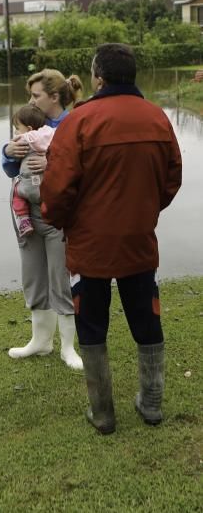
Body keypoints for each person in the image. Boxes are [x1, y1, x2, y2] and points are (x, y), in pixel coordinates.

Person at [41, 43, 182, 434]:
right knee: (146, 319)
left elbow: (57, 188)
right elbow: (172, 179)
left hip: (89, 246)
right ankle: (151, 405)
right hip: (139, 241)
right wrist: (145, 212)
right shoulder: (157, 118)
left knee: (91, 324)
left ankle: (103, 413)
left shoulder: (80, 121)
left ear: (98, 77)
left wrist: (62, 221)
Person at [2, 69, 83, 370]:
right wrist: (8, 151)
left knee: (60, 279)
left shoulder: (75, 122)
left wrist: (52, 162)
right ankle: (40, 342)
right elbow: (11, 167)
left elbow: (84, 165)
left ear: (54, 96)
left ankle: (68, 348)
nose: (31, 100)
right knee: (34, 277)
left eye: (36, 95)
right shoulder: (28, 121)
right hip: (26, 214)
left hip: (57, 214)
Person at [10, 104, 56, 237]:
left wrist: (8, 150)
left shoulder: (23, 142)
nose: (16, 132)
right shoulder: (49, 135)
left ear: (29, 129)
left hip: (27, 190)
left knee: (16, 192)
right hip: (45, 189)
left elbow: (10, 168)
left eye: (17, 129)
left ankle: (23, 220)